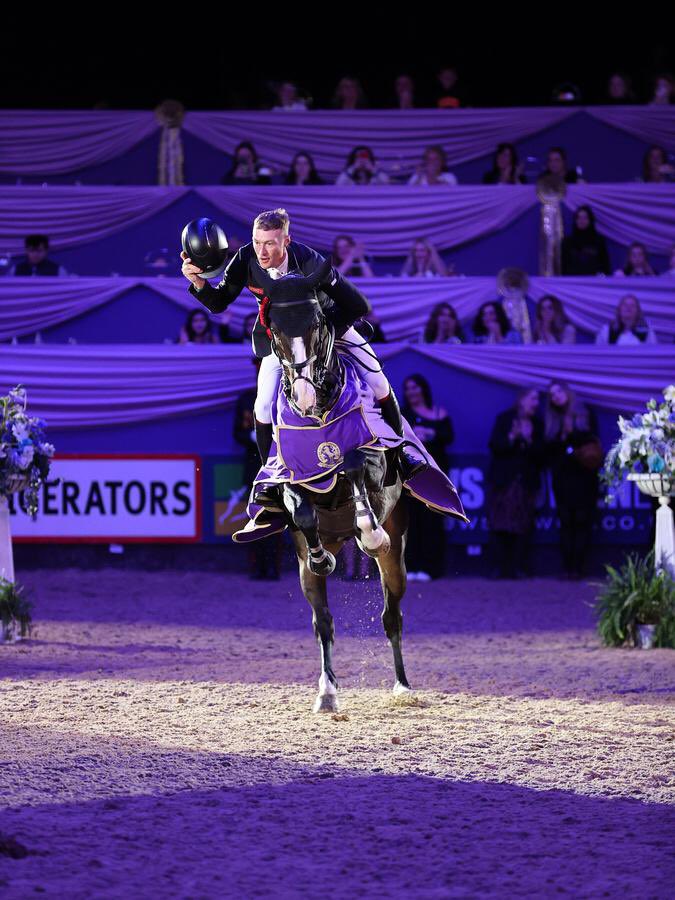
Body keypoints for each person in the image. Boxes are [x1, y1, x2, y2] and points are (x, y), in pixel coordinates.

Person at [180, 207, 424, 484]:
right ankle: (270, 479)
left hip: (328, 326)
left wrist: (323, 333)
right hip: (280, 338)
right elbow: (219, 302)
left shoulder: (308, 260)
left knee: (379, 382)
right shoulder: (245, 257)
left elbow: (359, 305)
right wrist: (198, 282)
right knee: (261, 406)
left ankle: (402, 454)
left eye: (270, 243)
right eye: (257, 242)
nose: (261, 252)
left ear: (286, 241)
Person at [544, 381, 601, 578]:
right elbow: (549, 448)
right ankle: (568, 567)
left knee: (583, 520)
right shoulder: (552, 419)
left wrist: (571, 436)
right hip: (563, 477)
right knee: (566, 520)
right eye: (551, 394)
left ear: (567, 392)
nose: (555, 396)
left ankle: (580, 566)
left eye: (558, 391)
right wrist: (562, 440)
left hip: (584, 476)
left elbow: (592, 441)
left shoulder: (585, 413)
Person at [401, 374, 455, 580]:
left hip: (437, 476)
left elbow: (449, 437)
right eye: (408, 389)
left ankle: (432, 568)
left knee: (434, 520)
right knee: (412, 521)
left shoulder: (440, 413)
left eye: (415, 387)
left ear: (423, 389)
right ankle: (412, 566)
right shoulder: (403, 414)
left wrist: (430, 434)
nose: (412, 392)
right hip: (412, 475)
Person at [486, 388, 544, 578]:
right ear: (523, 400)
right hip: (503, 481)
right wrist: (512, 436)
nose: (536, 403)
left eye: (537, 400)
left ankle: (519, 567)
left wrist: (527, 439)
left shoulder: (537, 423)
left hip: (525, 481)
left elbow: (541, 454)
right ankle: (499, 568)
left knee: (523, 525)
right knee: (499, 524)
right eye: (533, 398)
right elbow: (495, 445)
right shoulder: (505, 419)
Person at [233, 359, 282, 579]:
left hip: (280, 464)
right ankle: (257, 567)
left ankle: (274, 567)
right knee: (255, 516)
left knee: (279, 515)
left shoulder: (283, 396)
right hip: (254, 464)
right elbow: (237, 432)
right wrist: (253, 436)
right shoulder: (245, 399)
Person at [561, 205, 611, 275]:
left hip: (593, 282)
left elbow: (605, 265)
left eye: (585, 218)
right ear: (575, 220)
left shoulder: (599, 240)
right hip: (572, 282)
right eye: (579, 218)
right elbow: (563, 266)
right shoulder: (567, 242)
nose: (582, 221)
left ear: (590, 220)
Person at [496, 267, 537, 343]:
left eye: (514, 282)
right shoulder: (501, 303)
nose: (512, 283)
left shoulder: (526, 304)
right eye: (510, 281)